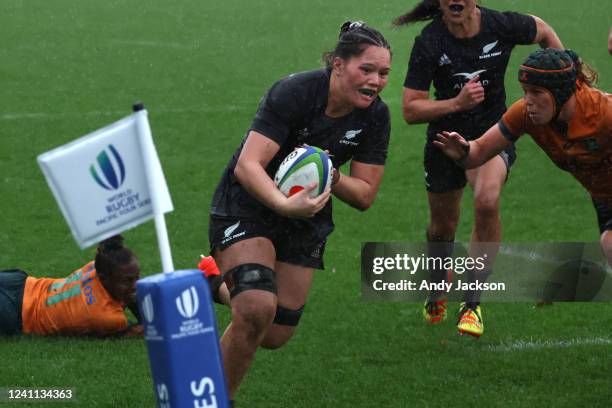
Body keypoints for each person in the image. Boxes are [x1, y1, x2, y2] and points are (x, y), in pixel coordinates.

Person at [207, 21, 391, 401]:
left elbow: (365, 195)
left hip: (308, 215)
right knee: (256, 309)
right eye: (367, 69)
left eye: (384, 73)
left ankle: (210, 282)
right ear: (338, 65)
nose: (376, 81)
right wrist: (282, 203)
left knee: (275, 333)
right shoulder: (295, 92)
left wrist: (331, 173)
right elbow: (248, 165)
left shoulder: (375, 116)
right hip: (249, 205)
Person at [393, 0, 563, 337]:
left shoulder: (500, 25)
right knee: (442, 228)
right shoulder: (430, 41)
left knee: (486, 200)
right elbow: (410, 110)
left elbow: (543, 29)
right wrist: (456, 103)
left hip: (492, 135)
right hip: (444, 142)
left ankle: (471, 302)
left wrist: (565, 76)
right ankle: (439, 280)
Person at [435, 48, 612, 270]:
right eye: (525, 91)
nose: (528, 100)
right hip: (604, 197)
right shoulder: (525, 115)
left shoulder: (604, 113)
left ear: (561, 92)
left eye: (536, 92)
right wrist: (463, 151)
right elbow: (479, 151)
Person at [0, 235, 142, 336]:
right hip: (19, 311)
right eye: (127, 280)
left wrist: (130, 292)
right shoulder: (108, 317)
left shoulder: (95, 266)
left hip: (21, 286)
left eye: (137, 277)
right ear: (104, 278)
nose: (136, 284)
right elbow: (142, 328)